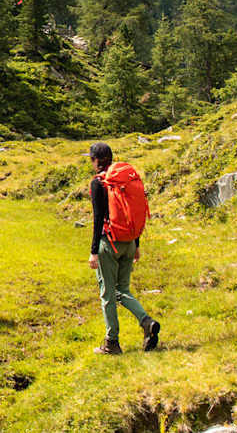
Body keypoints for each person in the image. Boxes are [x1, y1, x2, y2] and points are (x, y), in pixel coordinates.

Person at [88, 142, 160, 355]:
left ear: (95, 160)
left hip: (109, 243)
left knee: (108, 294)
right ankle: (146, 322)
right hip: (128, 241)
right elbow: (131, 214)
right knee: (123, 290)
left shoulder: (99, 183)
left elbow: (98, 218)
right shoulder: (125, 180)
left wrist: (93, 252)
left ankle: (112, 343)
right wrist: (136, 244)